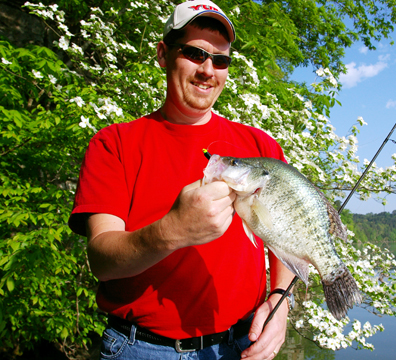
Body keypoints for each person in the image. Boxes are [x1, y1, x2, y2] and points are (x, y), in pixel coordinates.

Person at [68, 1, 296, 359]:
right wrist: (172, 230)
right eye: (194, 53)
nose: (208, 70)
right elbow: (102, 261)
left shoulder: (261, 147)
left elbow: (287, 236)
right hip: (142, 348)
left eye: (220, 60)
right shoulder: (113, 144)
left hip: (241, 344)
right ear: (163, 54)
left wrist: (281, 302)